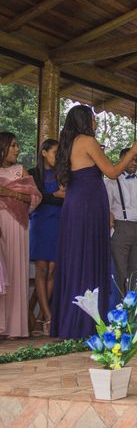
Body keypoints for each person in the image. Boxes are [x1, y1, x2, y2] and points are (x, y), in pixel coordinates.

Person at [50, 105, 137, 339]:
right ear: (84, 120)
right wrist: (132, 152)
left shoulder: (67, 144)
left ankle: (71, 319)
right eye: (93, 118)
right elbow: (112, 172)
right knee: (87, 255)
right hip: (89, 204)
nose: (96, 122)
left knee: (76, 257)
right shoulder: (87, 141)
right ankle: (84, 323)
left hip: (75, 202)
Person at [0, 132, 42, 339]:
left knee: (16, 273)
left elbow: (35, 197)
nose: (17, 149)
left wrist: (9, 194)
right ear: (3, 147)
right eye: (13, 145)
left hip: (17, 224)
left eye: (17, 145)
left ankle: (15, 328)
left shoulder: (20, 170)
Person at [28, 139, 64, 336]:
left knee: (53, 269)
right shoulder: (32, 173)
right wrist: (56, 196)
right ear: (44, 152)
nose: (57, 156)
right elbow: (36, 198)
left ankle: (42, 316)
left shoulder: (62, 174)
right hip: (40, 222)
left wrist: (59, 196)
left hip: (59, 222)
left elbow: (67, 197)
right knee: (42, 268)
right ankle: (48, 317)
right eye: (55, 152)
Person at [104, 148, 137, 294]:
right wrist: (112, 231)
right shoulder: (111, 181)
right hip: (120, 227)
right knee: (120, 272)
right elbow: (107, 207)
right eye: (131, 159)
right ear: (122, 160)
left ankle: (135, 311)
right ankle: (120, 311)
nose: (134, 162)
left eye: (136, 160)